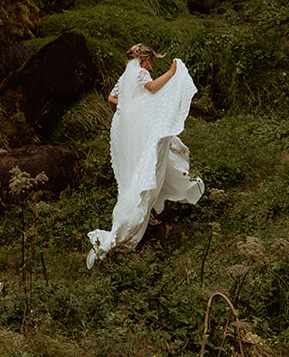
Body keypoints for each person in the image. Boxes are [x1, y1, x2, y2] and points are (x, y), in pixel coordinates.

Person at [86, 42, 204, 268]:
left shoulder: (125, 77)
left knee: (140, 168)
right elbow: (150, 88)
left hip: (131, 130)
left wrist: (131, 109)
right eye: (151, 62)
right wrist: (171, 73)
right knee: (149, 167)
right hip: (140, 129)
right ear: (146, 60)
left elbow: (112, 98)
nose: (151, 66)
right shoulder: (140, 73)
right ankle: (135, 219)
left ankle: (147, 208)